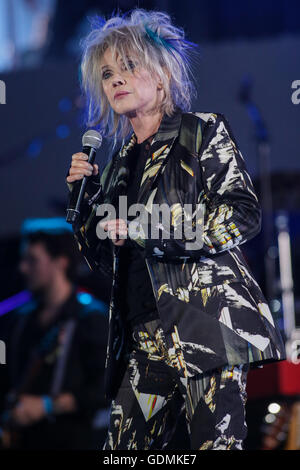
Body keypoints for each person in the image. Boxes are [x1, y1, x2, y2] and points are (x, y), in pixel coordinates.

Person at [66, 8, 286, 450]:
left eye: (128, 66)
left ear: (162, 75)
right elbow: (105, 261)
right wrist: (83, 202)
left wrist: (146, 229)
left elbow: (242, 215)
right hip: (142, 340)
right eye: (107, 73)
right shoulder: (114, 168)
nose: (116, 80)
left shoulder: (201, 133)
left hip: (207, 325)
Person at [0, 227, 110, 450]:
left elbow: (105, 388)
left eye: (33, 260)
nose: (23, 268)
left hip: (72, 440)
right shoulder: (20, 319)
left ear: (60, 262)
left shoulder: (92, 318)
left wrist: (47, 406)